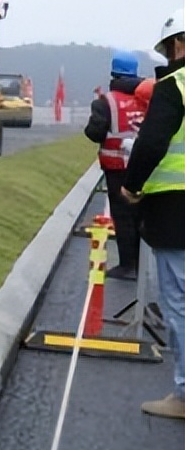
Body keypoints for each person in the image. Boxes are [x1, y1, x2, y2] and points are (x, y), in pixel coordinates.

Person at [121, 6, 185, 420]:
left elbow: (151, 143)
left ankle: (184, 394)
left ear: (179, 43)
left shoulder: (175, 86)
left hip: (176, 212)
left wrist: (132, 184)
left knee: (178, 301)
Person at [84, 50, 149, 279]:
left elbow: (95, 132)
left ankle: (127, 265)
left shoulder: (106, 102)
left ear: (113, 73)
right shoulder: (147, 98)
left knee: (122, 217)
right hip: (144, 167)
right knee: (141, 216)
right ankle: (142, 266)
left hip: (116, 169)